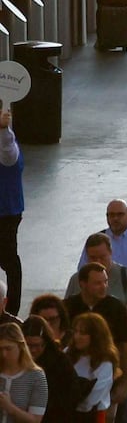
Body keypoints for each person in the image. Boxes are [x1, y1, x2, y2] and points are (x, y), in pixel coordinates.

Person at [61, 262, 127, 408]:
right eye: (97, 283)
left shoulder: (116, 307)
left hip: (109, 371)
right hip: (74, 373)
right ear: (82, 284)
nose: (103, 287)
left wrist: (125, 384)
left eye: (105, 282)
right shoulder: (68, 306)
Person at [66, 310, 118, 422]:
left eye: (83, 333)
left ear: (96, 336)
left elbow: (92, 400)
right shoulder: (68, 353)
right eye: (76, 332)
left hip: (91, 417)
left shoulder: (105, 362)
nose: (77, 336)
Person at [0, 321, 49, 423]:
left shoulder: (36, 376)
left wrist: (10, 408)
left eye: (8, 349)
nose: (3, 354)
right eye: (0, 349)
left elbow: (35, 420)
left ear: (20, 346)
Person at [0, 111, 20, 318]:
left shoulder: (8, 146)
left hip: (6, 212)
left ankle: (11, 309)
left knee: (9, 261)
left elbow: (7, 151)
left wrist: (4, 129)